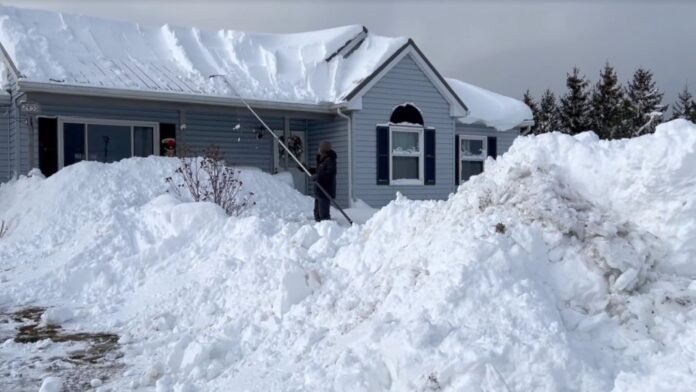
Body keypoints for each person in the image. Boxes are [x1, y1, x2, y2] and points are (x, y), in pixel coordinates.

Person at [310, 141, 337, 222]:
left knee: (323, 216)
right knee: (317, 214)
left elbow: (330, 174)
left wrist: (317, 176)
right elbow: (319, 171)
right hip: (319, 190)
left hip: (325, 190)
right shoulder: (322, 160)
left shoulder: (330, 160)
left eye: (320, 147)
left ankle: (326, 231)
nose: (318, 149)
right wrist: (307, 169)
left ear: (323, 149)